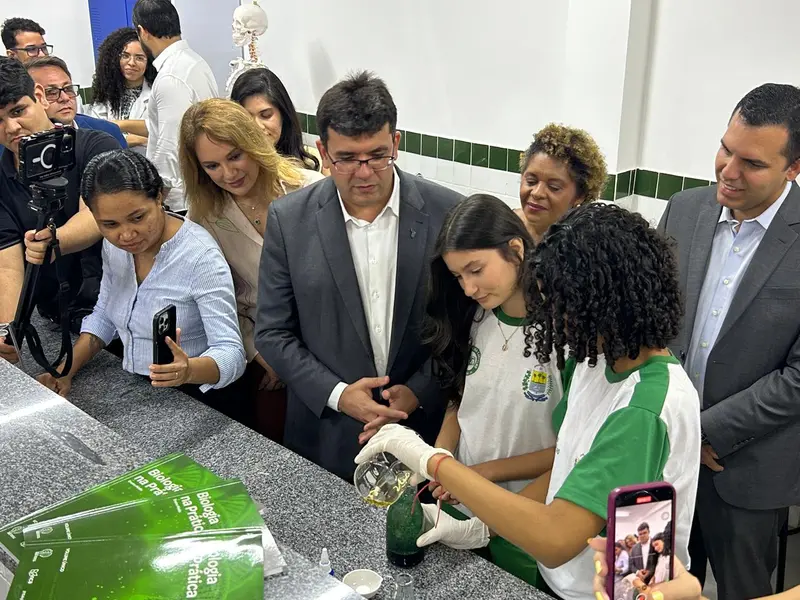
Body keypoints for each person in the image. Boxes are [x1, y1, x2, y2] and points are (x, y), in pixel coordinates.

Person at [355, 203, 702, 600]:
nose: (551, 317)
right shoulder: (599, 364)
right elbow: (567, 465)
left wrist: (431, 460)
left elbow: (556, 539)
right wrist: (485, 526)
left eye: (561, 304)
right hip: (568, 581)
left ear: (606, 301)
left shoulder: (643, 407)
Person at [254, 71, 462, 481]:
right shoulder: (289, 218)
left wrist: (418, 391)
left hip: (421, 429)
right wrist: (338, 395)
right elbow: (272, 332)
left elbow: (464, 326)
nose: (364, 173)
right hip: (326, 432)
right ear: (323, 151)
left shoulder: (447, 213)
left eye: (377, 155)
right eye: (346, 159)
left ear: (396, 144)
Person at [657, 83, 800, 600]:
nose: (728, 171)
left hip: (748, 466)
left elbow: (799, 377)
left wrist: (706, 430)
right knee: (656, 583)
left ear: (794, 167)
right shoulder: (684, 210)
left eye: (752, 163)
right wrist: (675, 426)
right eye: (725, 148)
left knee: (742, 588)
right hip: (664, 451)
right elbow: (649, 318)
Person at [420, 194, 561, 586]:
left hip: (527, 512)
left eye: (476, 270)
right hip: (462, 503)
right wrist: (440, 455)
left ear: (515, 249)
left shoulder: (565, 333)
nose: (467, 288)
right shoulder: (476, 314)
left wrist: (480, 475)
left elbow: (574, 449)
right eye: (458, 277)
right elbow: (461, 399)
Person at [35, 150, 245, 397]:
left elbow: (231, 351)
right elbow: (104, 315)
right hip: (137, 386)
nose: (126, 235)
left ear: (158, 197)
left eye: (137, 218)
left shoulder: (200, 257)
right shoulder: (115, 247)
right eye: (109, 224)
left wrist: (188, 370)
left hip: (198, 395)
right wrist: (65, 370)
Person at [179, 98, 323, 441]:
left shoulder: (312, 189)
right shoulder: (205, 217)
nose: (229, 174)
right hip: (265, 350)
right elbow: (220, 302)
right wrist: (258, 350)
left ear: (253, 144)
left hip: (327, 344)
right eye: (212, 166)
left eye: (234, 156)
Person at [0, 56, 120, 363]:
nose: (12, 127)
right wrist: (9, 330)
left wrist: (56, 241)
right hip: (56, 318)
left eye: (18, 111)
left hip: (119, 312)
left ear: (38, 96)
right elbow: (8, 264)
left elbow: (96, 217)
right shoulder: (2, 178)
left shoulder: (95, 146)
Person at [133, 0, 218, 212]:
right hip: (198, 189)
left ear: (142, 32)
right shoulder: (194, 62)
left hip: (181, 200)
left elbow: (170, 147)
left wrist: (156, 200)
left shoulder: (171, 76)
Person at [516, 123, 607, 243]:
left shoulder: (583, 247)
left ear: (580, 195)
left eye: (554, 187)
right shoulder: (502, 229)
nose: (537, 193)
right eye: (531, 181)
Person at [230, 67, 326, 174]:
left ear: (283, 115)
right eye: (247, 118)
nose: (257, 126)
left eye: (266, 115)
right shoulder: (234, 172)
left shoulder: (313, 164)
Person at [25, 56, 127, 147]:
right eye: (51, 92)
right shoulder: (22, 141)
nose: (65, 98)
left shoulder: (108, 131)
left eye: (68, 89)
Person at [88, 27, 156, 151]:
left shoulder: (155, 93)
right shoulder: (105, 93)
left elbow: (159, 131)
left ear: (149, 63)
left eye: (139, 57)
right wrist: (139, 139)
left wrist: (117, 127)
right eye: (125, 56)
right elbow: (97, 135)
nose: (132, 63)